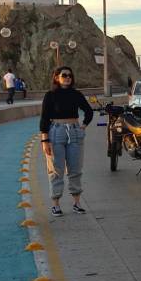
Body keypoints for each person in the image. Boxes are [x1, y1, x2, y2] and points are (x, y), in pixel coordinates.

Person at [39, 66, 93, 217]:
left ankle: (77, 203)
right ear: (56, 77)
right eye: (64, 75)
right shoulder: (50, 95)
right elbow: (44, 117)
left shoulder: (76, 94)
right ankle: (56, 205)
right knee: (56, 169)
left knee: (75, 168)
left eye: (70, 75)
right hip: (56, 131)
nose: (68, 77)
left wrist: (83, 126)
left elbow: (88, 111)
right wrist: (45, 140)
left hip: (75, 131)